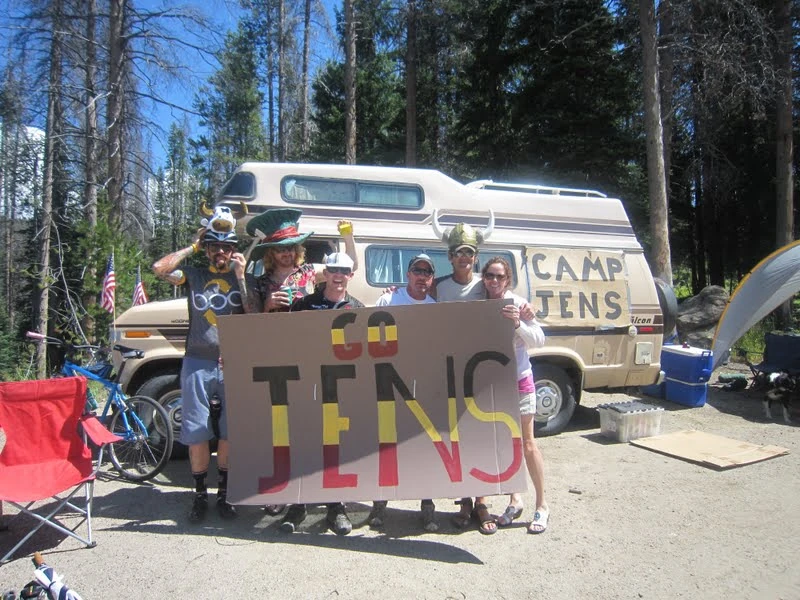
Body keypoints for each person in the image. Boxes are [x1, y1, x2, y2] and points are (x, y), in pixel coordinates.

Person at [152, 214, 260, 523]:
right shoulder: (194, 275)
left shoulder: (244, 277)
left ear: (234, 249)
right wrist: (193, 247)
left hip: (234, 363)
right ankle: (200, 495)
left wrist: (241, 275)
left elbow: (253, 313)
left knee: (230, 432)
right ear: (207, 249)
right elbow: (159, 269)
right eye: (214, 247)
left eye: (226, 247)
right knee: (197, 431)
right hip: (197, 361)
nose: (220, 252)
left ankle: (224, 493)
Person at [278, 253, 364, 535]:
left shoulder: (358, 308)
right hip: (308, 384)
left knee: (337, 447)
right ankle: (298, 504)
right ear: (325, 273)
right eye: (333, 270)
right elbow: (287, 340)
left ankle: (336, 507)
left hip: (341, 387)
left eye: (344, 271)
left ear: (351, 275)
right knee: (305, 444)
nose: (339, 275)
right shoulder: (304, 304)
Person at [369, 254, 438, 532]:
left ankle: (428, 506)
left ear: (432, 279)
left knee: (423, 445)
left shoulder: (434, 308)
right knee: (387, 444)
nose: (422, 276)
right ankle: (380, 503)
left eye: (427, 272)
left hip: (422, 384)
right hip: (388, 382)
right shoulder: (388, 300)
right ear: (408, 274)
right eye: (417, 270)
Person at [481, 256, 549, 534]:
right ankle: (514, 500)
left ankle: (542, 505)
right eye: (489, 275)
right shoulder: (480, 303)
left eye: (499, 276)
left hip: (519, 381)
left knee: (528, 444)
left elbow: (539, 340)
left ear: (507, 280)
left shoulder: (518, 304)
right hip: (493, 384)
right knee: (505, 445)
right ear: (483, 278)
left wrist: (519, 323)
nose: (494, 281)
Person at [246, 208, 357, 312]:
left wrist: (348, 237)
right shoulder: (260, 283)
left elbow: (349, 267)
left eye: (290, 248)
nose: (286, 253)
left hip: (307, 326)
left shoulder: (308, 272)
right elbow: (253, 319)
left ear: (296, 250)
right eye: (280, 249)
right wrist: (267, 305)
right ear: (271, 253)